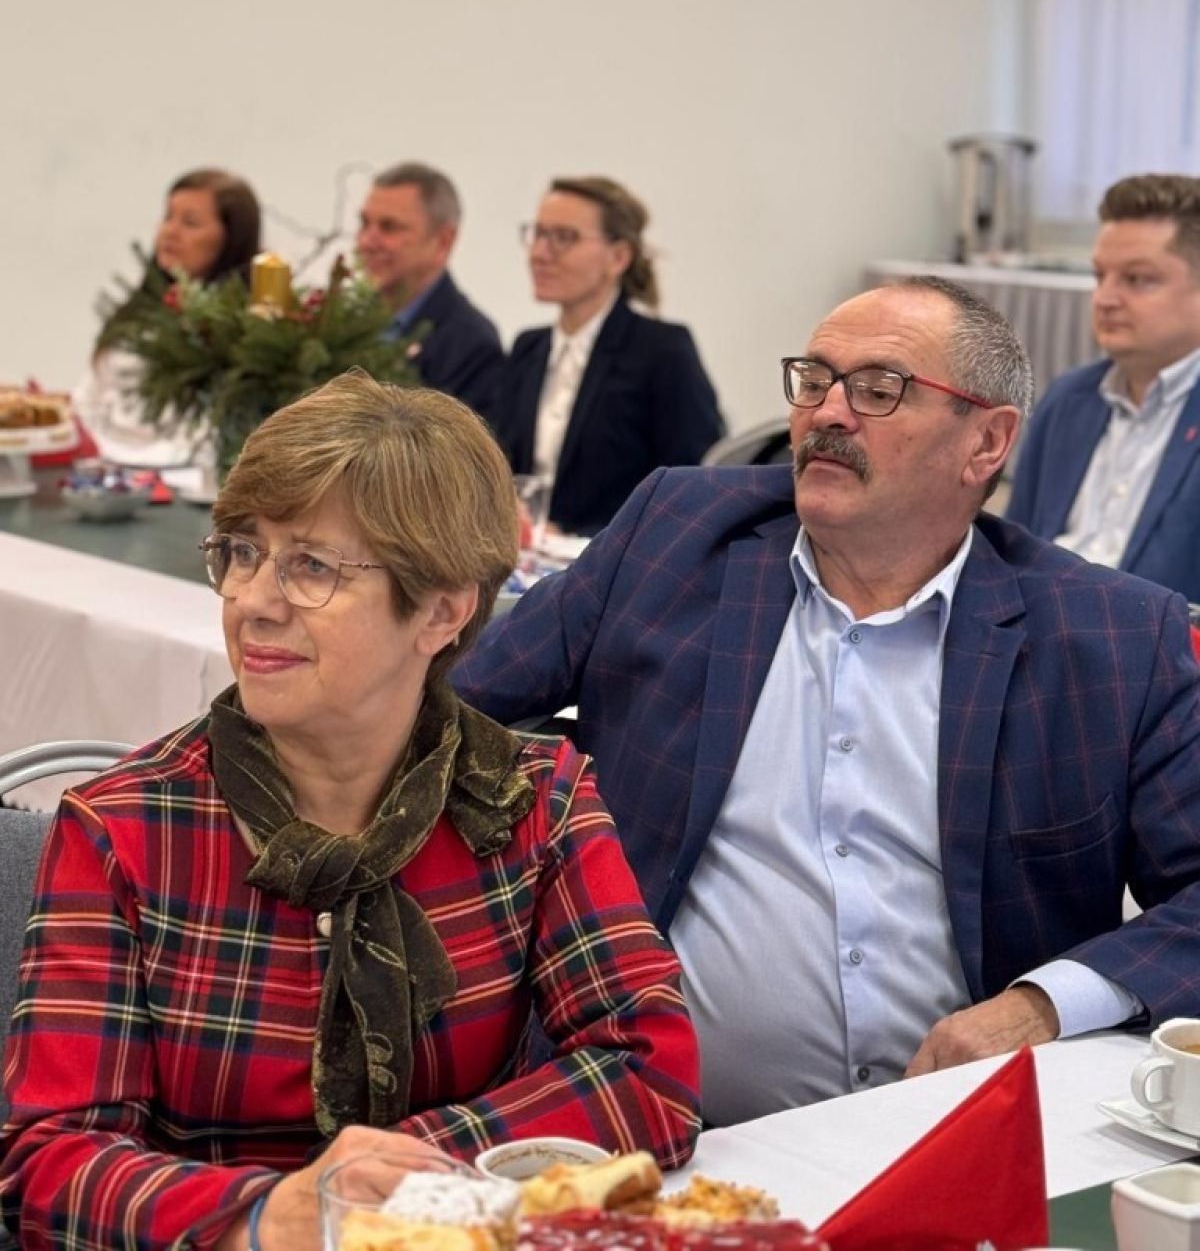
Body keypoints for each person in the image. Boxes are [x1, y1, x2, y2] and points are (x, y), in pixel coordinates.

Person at [455, 276, 1200, 1125]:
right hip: (659, 1131)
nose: (827, 414)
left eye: (879, 389)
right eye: (814, 381)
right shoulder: (675, 536)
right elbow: (447, 707)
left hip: (957, 1138)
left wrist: (1041, 1007)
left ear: (986, 443)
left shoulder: (1109, 638)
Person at [0, 373, 700, 1249]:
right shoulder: (128, 829)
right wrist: (265, 1215)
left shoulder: (529, 801)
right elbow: (49, 1161)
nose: (254, 603)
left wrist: (397, 1173)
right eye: (243, 552)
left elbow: (649, 1067)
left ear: (441, 611)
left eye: (312, 567)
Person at [1006, 173, 1200, 599]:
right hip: (1041, 626)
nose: (1105, 299)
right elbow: (1009, 555)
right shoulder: (1067, 399)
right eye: (1099, 276)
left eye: (1137, 279)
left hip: (1160, 637)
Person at [497, 177, 724, 536]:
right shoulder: (528, 348)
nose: (539, 252)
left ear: (618, 257)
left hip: (614, 557)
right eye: (537, 234)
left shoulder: (662, 350)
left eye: (564, 237)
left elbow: (691, 487)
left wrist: (578, 537)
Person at [75, 168, 262, 465]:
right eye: (168, 217)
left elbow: (209, 441)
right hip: (104, 469)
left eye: (190, 222)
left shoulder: (241, 331)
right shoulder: (138, 310)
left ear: (231, 239)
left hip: (176, 478)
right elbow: (91, 398)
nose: (170, 232)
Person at [356, 162, 504, 421]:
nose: (367, 241)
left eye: (389, 227)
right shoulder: (346, 321)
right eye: (364, 223)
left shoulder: (471, 346)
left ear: (443, 241)